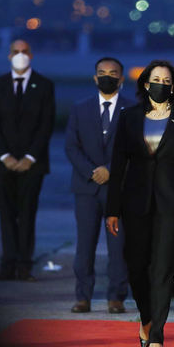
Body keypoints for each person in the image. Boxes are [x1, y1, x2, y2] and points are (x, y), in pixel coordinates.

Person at [105, 60, 174, 347]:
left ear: (172, 86)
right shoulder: (129, 116)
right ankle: (146, 318)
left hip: (172, 203)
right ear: (146, 84)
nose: (161, 84)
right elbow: (118, 163)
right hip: (135, 203)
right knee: (136, 267)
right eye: (155, 79)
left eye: (167, 80)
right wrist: (112, 209)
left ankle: (158, 335)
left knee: (163, 269)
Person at [65, 57, 133, 314]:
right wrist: (93, 172)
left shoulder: (132, 109)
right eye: (102, 73)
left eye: (113, 73)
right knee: (85, 245)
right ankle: (83, 297)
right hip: (86, 188)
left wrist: (110, 170)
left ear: (121, 78)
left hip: (119, 189)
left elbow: (135, 148)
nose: (107, 77)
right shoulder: (79, 108)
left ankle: (116, 297)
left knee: (118, 247)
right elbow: (71, 146)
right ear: (95, 78)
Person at [0, 39, 55, 281]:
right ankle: (8, 263)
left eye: (25, 51)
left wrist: (29, 157)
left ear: (31, 55)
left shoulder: (44, 85)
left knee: (27, 214)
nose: (20, 55)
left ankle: (24, 264)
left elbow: (46, 125)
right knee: (6, 214)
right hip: (2, 163)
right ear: (9, 56)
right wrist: (4, 156)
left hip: (32, 164)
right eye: (16, 52)